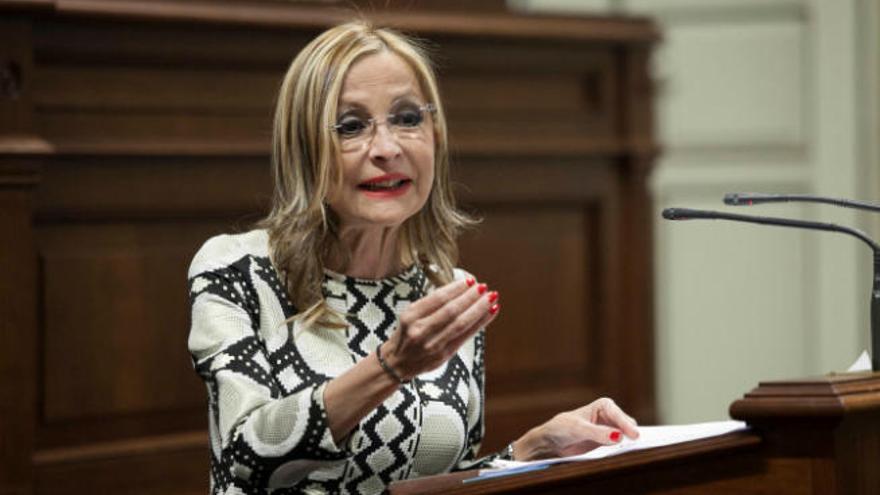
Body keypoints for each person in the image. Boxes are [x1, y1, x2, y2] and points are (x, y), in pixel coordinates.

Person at [187, 20, 639, 494]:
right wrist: (390, 366)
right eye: (351, 126)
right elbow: (246, 457)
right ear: (304, 147)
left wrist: (530, 450)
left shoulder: (448, 291)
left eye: (407, 119)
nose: (387, 148)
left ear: (436, 135)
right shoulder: (237, 270)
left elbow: (437, 482)